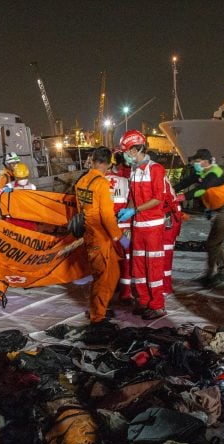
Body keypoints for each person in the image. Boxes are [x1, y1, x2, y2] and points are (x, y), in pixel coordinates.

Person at [116, 130, 168, 320]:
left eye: (127, 151)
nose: (125, 156)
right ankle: (144, 300)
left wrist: (135, 210)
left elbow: (157, 199)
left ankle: (157, 305)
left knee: (153, 266)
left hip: (153, 226)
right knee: (138, 267)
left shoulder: (156, 169)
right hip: (138, 226)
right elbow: (131, 196)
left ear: (136, 149)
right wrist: (126, 211)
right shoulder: (135, 171)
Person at [76, 146, 129, 326]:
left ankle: (99, 308)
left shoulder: (82, 182)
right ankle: (97, 316)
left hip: (89, 233)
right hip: (100, 236)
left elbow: (80, 210)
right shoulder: (101, 184)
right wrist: (120, 237)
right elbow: (106, 216)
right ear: (106, 164)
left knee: (111, 274)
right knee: (104, 277)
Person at [174, 148, 224, 287]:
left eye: (197, 161)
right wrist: (171, 189)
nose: (195, 164)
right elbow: (186, 182)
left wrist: (180, 197)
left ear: (205, 161)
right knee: (216, 243)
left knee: (212, 243)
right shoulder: (201, 171)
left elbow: (202, 189)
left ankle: (210, 275)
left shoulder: (215, 172)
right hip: (218, 209)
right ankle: (223, 271)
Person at [105, 153, 132, 301]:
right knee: (126, 257)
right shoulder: (126, 181)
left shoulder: (100, 181)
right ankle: (126, 292)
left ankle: (109, 290)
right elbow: (131, 203)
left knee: (108, 257)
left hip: (107, 228)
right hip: (124, 229)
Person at [1, 162, 38, 231]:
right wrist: (12, 190)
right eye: (20, 178)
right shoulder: (9, 186)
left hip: (28, 219)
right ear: (15, 177)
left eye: (24, 177)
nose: (23, 180)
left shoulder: (32, 187)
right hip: (13, 219)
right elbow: (0, 193)